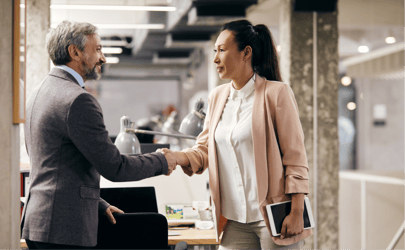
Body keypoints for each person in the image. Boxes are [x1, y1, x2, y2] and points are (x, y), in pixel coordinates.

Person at [21, 20, 177, 249]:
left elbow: (57, 166)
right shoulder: (77, 100)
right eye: (97, 49)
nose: (102, 58)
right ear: (74, 51)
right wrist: (163, 160)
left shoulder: (39, 92)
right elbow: (115, 167)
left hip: (40, 223)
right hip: (64, 230)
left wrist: (98, 204)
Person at [157, 20, 311, 249]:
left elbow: (295, 158)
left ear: (246, 53)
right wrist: (176, 157)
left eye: (222, 50)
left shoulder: (276, 94)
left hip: (272, 216)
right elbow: (205, 148)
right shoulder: (217, 97)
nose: (215, 58)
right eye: (214, 51)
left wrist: (297, 211)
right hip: (233, 218)